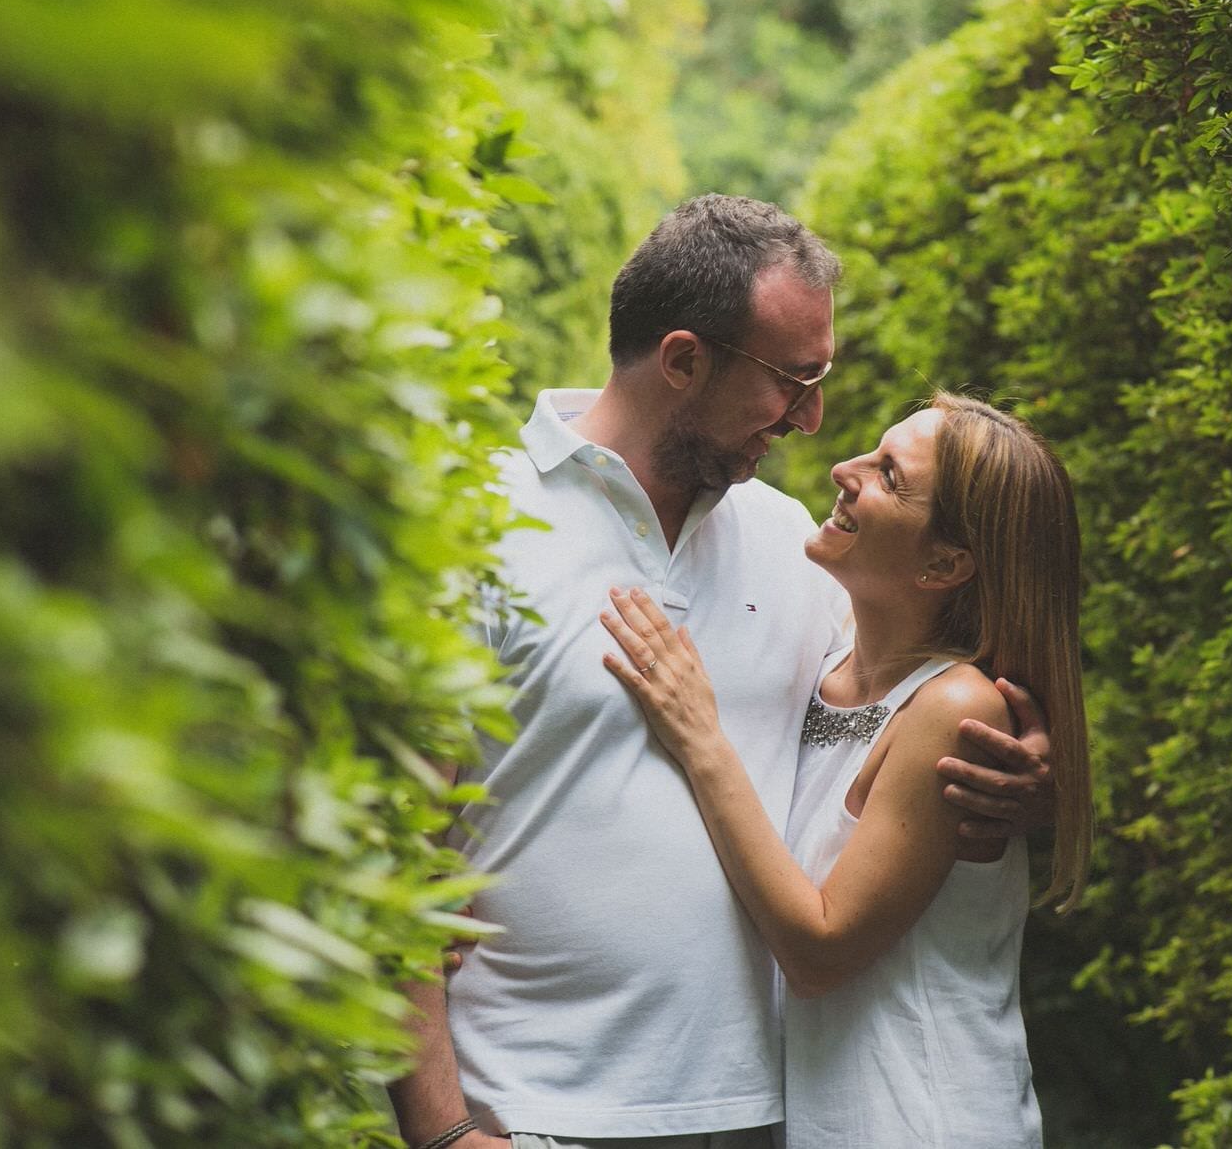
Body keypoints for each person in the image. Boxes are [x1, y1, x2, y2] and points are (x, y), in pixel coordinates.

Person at [389, 196, 1056, 1149]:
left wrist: (1028, 778)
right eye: (793, 379)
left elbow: (904, 729)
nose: (815, 418)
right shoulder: (476, 523)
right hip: (531, 1117)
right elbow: (394, 852)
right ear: (684, 360)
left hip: (770, 1116)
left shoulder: (802, 549)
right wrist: (443, 1132)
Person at [597, 395, 1091, 1147]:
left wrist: (702, 737)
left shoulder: (955, 705)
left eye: (889, 475)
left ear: (946, 563)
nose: (843, 469)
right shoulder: (826, 661)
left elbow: (821, 950)